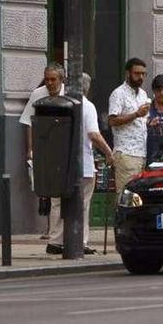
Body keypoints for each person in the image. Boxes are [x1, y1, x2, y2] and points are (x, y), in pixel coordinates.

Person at [46, 73, 114, 255]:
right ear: (87, 88)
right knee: (81, 203)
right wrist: (108, 152)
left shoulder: (59, 103)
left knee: (58, 202)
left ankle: (55, 240)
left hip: (59, 162)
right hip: (81, 163)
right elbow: (93, 134)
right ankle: (79, 241)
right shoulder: (87, 106)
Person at [20, 64, 65, 240]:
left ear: (62, 80)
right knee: (46, 189)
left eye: (53, 79)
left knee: (59, 191)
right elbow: (28, 122)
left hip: (62, 147)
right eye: (47, 79)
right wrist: (30, 149)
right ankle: (51, 229)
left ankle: (56, 230)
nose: (49, 83)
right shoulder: (38, 94)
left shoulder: (69, 93)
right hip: (43, 147)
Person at [108, 58, 149, 195]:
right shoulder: (118, 93)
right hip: (126, 153)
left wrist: (149, 122)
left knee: (138, 197)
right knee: (125, 195)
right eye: (137, 73)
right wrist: (136, 114)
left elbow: (140, 122)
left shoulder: (143, 94)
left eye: (143, 74)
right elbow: (112, 120)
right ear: (128, 73)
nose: (140, 77)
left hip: (142, 153)